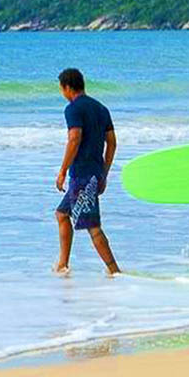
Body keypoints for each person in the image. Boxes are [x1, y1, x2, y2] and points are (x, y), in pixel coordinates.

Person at [54, 68, 121, 275]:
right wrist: (104, 172)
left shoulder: (73, 109)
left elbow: (75, 138)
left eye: (61, 89)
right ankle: (63, 265)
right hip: (93, 173)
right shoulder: (101, 108)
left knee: (93, 226)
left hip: (81, 174)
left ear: (66, 87)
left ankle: (115, 271)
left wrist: (63, 170)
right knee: (62, 214)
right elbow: (112, 143)